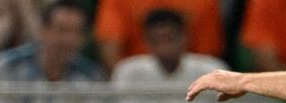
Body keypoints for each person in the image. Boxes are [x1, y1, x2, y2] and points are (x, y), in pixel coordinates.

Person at [0, 0, 106, 103]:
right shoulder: (7, 66)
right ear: (43, 31)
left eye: (76, 32)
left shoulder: (91, 76)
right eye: (62, 30)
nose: (68, 40)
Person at [112, 9, 227, 103]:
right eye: (156, 40)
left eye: (169, 39)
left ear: (184, 37)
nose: (164, 47)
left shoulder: (211, 70)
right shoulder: (129, 72)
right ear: (146, 41)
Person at [93, 0, 223, 74]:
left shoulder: (204, 3)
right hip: (137, 82)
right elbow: (110, 46)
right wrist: (126, 80)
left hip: (190, 83)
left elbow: (208, 53)